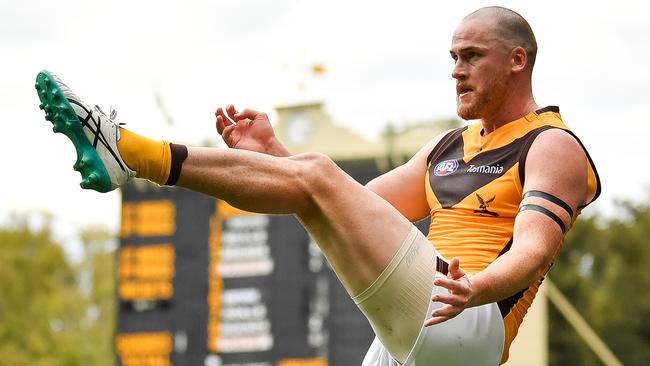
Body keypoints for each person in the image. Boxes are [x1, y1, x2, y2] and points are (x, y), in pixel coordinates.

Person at [35, 6, 600, 365]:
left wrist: (475, 290)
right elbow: (346, 205)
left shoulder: (552, 144)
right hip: (413, 335)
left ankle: (129, 152)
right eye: (453, 56)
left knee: (321, 176)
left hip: (467, 322)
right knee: (318, 188)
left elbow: (533, 249)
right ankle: (131, 154)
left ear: (518, 61)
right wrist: (276, 161)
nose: (456, 69)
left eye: (472, 56)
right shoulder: (450, 146)